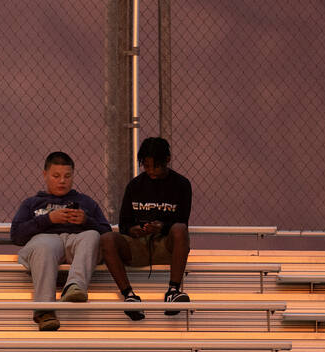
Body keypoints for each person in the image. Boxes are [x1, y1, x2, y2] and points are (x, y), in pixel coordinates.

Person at [10, 151, 112, 331]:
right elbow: (16, 235)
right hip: (45, 242)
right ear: (45, 175)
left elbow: (107, 234)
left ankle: (74, 287)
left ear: (73, 175)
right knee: (44, 246)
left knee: (92, 235)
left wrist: (86, 220)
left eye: (67, 176)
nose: (62, 181)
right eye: (56, 176)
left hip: (76, 243)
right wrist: (49, 219)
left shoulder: (86, 202)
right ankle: (45, 311)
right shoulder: (32, 202)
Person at [100, 136, 193, 320]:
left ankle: (173, 292)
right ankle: (129, 296)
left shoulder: (181, 185)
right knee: (107, 238)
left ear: (167, 160)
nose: (151, 171)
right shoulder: (135, 185)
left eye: (155, 166)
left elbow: (182, 221)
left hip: (165, 245)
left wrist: (162, 227)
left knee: (180, 229)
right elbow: (124, 224)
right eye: (146, 166)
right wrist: (134, 230)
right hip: (138, 245)